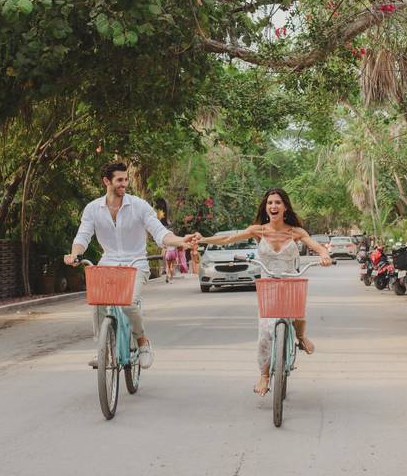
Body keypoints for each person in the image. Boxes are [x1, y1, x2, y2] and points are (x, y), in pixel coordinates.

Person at [198, 188, 331, 396]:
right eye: (270, 203)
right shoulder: (258, 231)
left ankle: (301, 337)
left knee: (297, 315)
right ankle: (265, 375)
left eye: (278, 202)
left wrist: (324, 255)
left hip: (290, 281)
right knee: (265, 333)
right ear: (266, 207)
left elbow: (317, 246)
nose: (273, 206)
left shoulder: (295, 232)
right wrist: (203, 240)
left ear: (285, 207)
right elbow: (227, 240)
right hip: (268, 283)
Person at [65, 162, 199, 369]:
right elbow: (82, 236)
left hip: (136, 264)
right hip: (108, 263)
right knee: (97, 304)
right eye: (119, 180)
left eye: (126, 179)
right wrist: (75, 254)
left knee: (128, 303)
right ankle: (104, 351)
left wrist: (181, 241)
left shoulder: (139, 206)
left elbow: (159, 232)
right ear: (106, 181)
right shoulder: (93, 209)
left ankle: (143, 343)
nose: (124, 184)